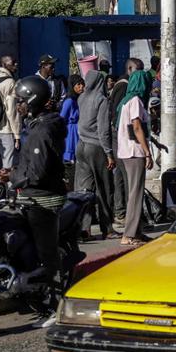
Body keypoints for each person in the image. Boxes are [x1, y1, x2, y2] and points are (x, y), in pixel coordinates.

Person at [0, 77, 66, 314]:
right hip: (31, 194)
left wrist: (12, 176)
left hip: (43, 199)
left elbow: (36, 172)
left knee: (46, 254)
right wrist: (13, 172)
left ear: (33, 100)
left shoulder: (42, 130)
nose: (18, 106)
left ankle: (56, 305)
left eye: (22, 102)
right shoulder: (38, 125)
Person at [115, 69, 155, 246]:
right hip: (135, 151)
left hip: (126, 151)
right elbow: (137, 127)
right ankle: (129, 234)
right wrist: (147, 152)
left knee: (134, 191)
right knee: (135, 193)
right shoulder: (136, 101)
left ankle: (136, 231)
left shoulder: (125, 101)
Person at [75, 70, 116, 239]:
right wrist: (109, 153)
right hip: (96, 147)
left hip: (81, 146)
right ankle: (108, 229)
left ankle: (84, 229)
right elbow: (104, 130)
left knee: (84, 191)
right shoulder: (101, 100)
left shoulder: (81, 98)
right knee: (104, 189)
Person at [60, 75, 84, 164]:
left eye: (82, 84)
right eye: (78, 84)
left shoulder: (78, 99)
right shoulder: (69, 101)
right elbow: (62, 118)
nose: (81, 87)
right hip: (71, 133)